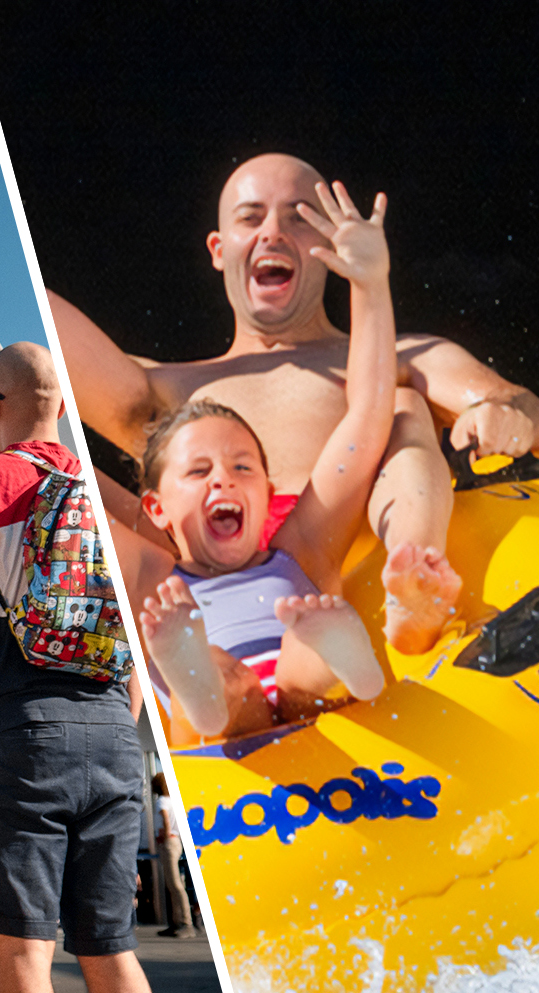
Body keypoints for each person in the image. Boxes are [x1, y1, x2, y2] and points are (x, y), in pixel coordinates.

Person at [51, 152, 539, 655]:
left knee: (403, 405)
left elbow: (512, 401)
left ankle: (415, 568)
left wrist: (504, 417)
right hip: (199, 563)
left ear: (331, 241)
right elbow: (47, 335)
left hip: (335, 542)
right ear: (219, 248)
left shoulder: (394, 357)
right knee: (72, 472)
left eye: (299, 217)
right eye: (251, 217)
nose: (273, 232)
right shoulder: (161, 388)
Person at [116, 179, 394, 737]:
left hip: (302, 703)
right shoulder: (154, 577)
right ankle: (200, 682)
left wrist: (370, 284)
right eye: (199, 472)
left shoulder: (301, 549)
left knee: (300, 652)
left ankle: (345, 664)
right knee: (223, 673)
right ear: (157, 508)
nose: (225, 479)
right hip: (219, 717)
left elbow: (366, 416)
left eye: (243, 467)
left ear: (269, 493)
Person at [0, 341, 154, 993]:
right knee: (112, 952)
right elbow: (142, 629)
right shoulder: (108, 498)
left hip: (16, 736)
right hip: (111, 732)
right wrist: (118, 723)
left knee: (26, 956)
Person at [149, 774, 193, 938]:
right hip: (176, 842)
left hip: (169, 843)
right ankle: (176, 923)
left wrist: (165, 836)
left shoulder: (161, 802)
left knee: (175, 884)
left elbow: (165, 820)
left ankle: (185, 923)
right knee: (174, 884)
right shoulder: (173, 801)